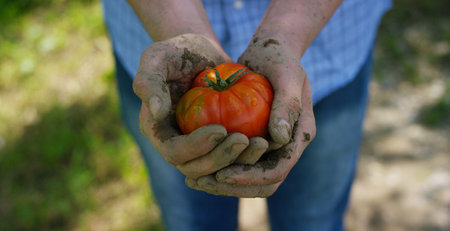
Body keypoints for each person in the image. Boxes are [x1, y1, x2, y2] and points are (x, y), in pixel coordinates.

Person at [102, 0, 391, 230]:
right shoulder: (197, 89)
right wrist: (179, 34)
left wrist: (285, 36)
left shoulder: (201, 96)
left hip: (327, 53)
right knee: (192, 223)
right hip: (164, 65)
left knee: (313, 220)